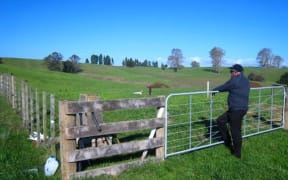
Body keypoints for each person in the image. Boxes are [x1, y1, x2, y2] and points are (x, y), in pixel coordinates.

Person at [212, 64, 250, 158]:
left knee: (235, 131)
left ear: (237, 72)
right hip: (240, 108)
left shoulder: (235, 80)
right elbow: (229, 86)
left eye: (232, 71)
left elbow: (225, 86)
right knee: (220, 121)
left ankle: (237, 153)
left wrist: (214, 90)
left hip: (236, 110)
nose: (231, 73)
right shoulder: (245, 80)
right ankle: (227, 141)